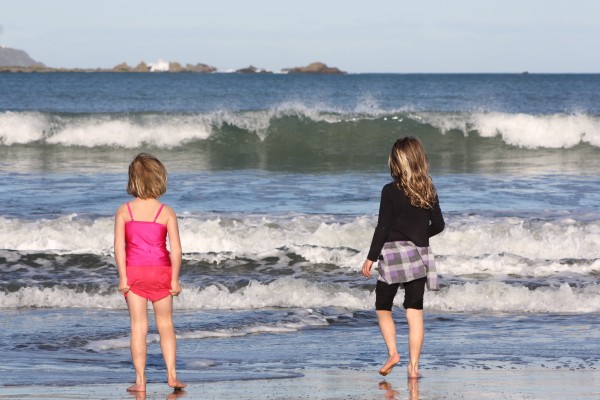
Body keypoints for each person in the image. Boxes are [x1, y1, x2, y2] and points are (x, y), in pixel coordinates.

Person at [362, 137, 444, 379]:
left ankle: (393, 353)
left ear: (397, 162)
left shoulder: (389, 190)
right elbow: (438, 224)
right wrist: (419, 236)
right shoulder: (428, 186)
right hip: (420, 254)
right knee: (414, 310)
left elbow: (382, 227)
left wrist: (371, 257)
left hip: (393, 253)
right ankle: (414, 368)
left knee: (382, 306)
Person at [114, 153, 186, 392]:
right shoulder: (166, 212)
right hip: (161, 272)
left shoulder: (124, 211)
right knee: (165, 324)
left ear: (132, 180)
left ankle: (141, 381)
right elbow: (176, 250)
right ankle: (172, 375)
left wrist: (123, 277)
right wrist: (174, 279)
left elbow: (119, 248)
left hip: (134, 273)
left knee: (138, 327)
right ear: (159, 178)